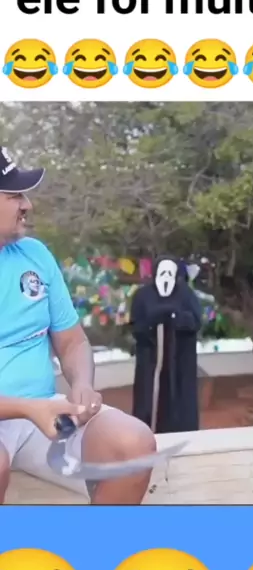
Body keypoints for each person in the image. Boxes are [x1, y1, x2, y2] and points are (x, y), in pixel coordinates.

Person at [0, 146, 156, 504]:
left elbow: (72, 342)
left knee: (134, 444)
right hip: (31, 412)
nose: (27, 205)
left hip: (44, 412)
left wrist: (82, 384)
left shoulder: (34, 254)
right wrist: (28, 409)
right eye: (14, 196)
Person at [130, 255, 202, 433]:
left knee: (180, 401)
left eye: (170, 273)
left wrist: (175, 318)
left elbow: (195, 322)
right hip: (150, 361)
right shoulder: (143, 296)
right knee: (148, 398)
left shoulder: (186, 295)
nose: (166, 277)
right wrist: (153, 322)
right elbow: (136, 325)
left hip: (180, 362)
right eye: (163, 273)